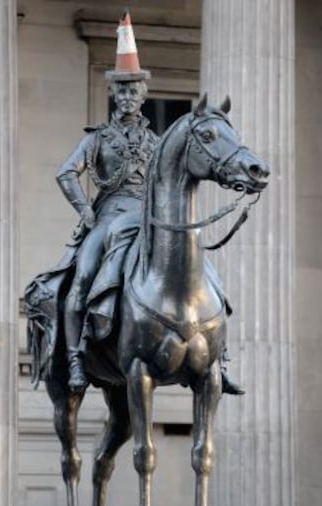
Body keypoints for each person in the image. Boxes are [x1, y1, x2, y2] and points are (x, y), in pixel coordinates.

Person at [56, 11, 243, 396]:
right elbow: (65, 173)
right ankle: (75, 357)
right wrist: (86, 210)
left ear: (142, 96)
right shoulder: (98, 139)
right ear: (113, 95)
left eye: (133, 90)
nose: (127, 97)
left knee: (203, 268)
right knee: (82, 279)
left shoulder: (155, 142)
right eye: (121, 90)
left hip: (146, 219)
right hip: (108, 216)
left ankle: (218, 357)